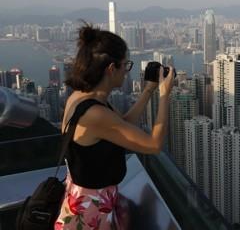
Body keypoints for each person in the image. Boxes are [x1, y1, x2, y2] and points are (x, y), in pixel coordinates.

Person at [54, 23, 174, 230]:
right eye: (125, 66)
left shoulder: (81, 98)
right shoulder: (96, 114)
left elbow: (122, 125)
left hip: (84, 206)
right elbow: (153, 145)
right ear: (111, 69)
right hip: (90, 218)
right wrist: (165, 94)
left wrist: (149, 90)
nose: (126, 72)